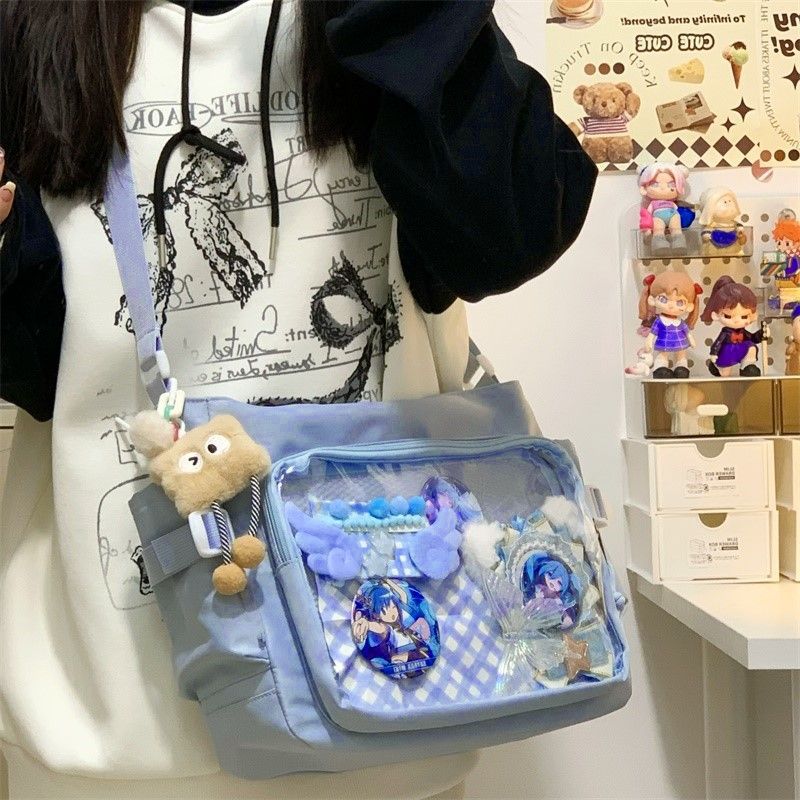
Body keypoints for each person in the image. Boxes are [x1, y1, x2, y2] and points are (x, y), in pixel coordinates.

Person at [0, 1, 596, 797]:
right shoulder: (41, 24)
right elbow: (38, 365)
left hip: (393, 698)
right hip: (110, 719)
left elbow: (510, 233)